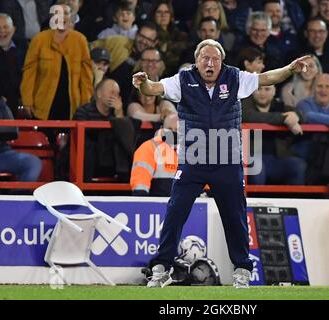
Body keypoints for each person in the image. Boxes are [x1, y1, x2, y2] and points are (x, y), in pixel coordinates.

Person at [132, 39, 310, 288]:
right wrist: (144, 83)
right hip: (192, 161)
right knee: (175, 213)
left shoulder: (235, 78)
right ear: (197, 61)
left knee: (235, 217)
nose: (210, 63)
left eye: (215, 59)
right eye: (205, 58)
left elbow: (266, 78)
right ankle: (162, 268)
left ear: (221, 62)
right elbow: (154, 89)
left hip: (227, 161)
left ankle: (241, 270)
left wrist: (290, 69)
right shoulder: (182, 80)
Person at [20, 3, 93, 121]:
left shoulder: (80, 41)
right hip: (43, 105)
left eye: (66, 13)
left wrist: (85, 105)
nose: (62, 17)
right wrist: (27, 101)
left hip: (71, 107)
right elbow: (29, 72)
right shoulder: (39, 40)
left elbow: (86, 77)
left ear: (71, 17)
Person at [0, 64, 42, 182]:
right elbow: (5, 131)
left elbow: (13, 131)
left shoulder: (0, 104)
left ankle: (18, 197)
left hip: (2, 153)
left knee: (33, 162)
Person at [130, 113, 178, 196]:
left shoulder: (191, 151)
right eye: (169, 128)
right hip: (157, 204)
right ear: (162, 129)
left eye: (177, 129)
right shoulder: (149, 148)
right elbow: (140, 185)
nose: (173, 132)